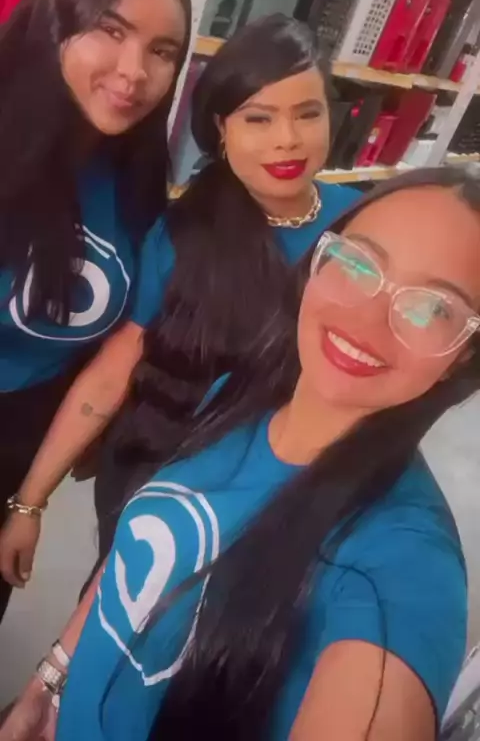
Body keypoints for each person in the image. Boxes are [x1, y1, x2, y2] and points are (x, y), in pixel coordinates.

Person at [1, 165, 477, 741]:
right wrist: (51, 677)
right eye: (358, 263)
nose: (365, 319)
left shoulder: (402, 564)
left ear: (462, 355)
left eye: (433, 308)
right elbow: (145, 551)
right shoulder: (239, 395)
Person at [0, 14, 359, 590]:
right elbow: (111, 373)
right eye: (258, 118)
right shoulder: (181, 236)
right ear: (221, 129)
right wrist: (29, 502)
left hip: (290, 488)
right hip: (162, 478)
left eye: (307, 113)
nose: (287, 139)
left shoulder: (366, 223)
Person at [0, 0, 191, 623]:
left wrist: (29, 500)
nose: (134, 71)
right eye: (110, 30)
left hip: (22, 440)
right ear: (59, 17)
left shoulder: (138, 186)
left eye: (162, 50)